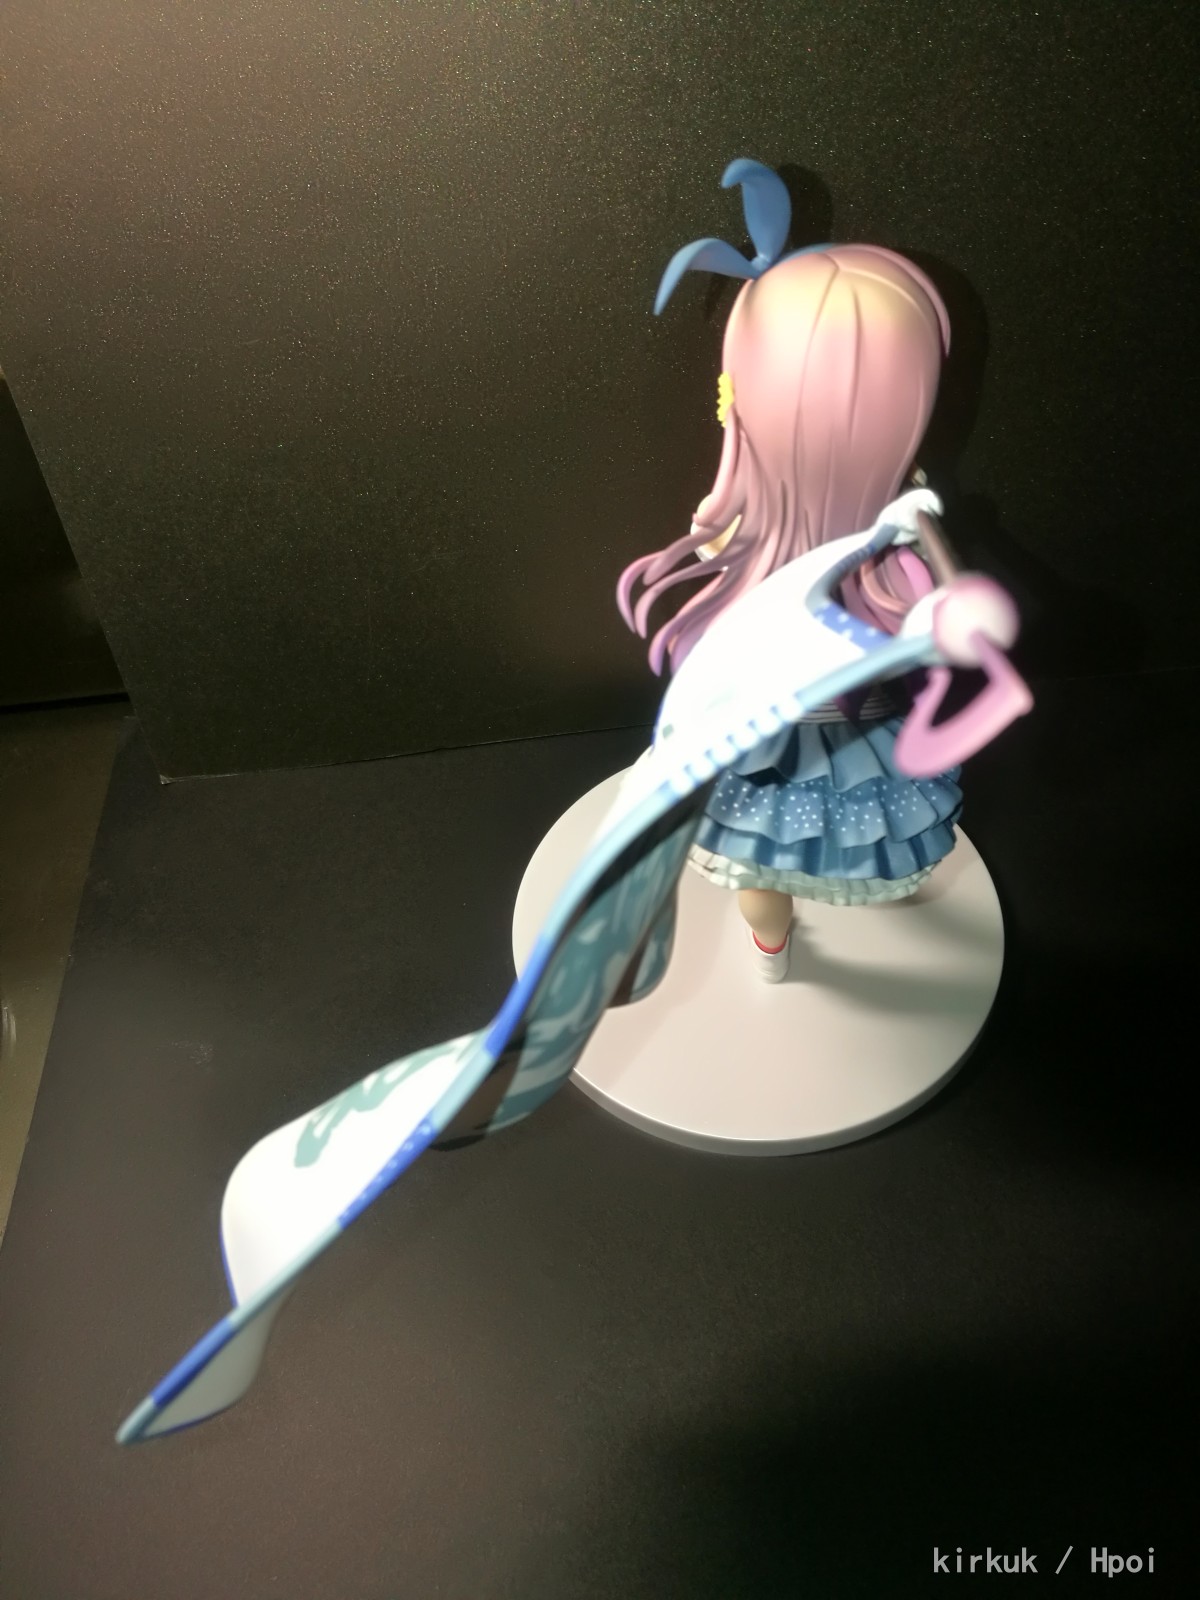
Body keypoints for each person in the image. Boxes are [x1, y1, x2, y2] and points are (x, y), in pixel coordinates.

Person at [618, 160, 963, 981]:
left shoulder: (740, 535)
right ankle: (794, 935)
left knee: (761, 879)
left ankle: (773, 953)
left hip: (772, 743)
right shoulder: (902, 541)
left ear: (740, 400)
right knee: (807, 857)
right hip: (851, 736)